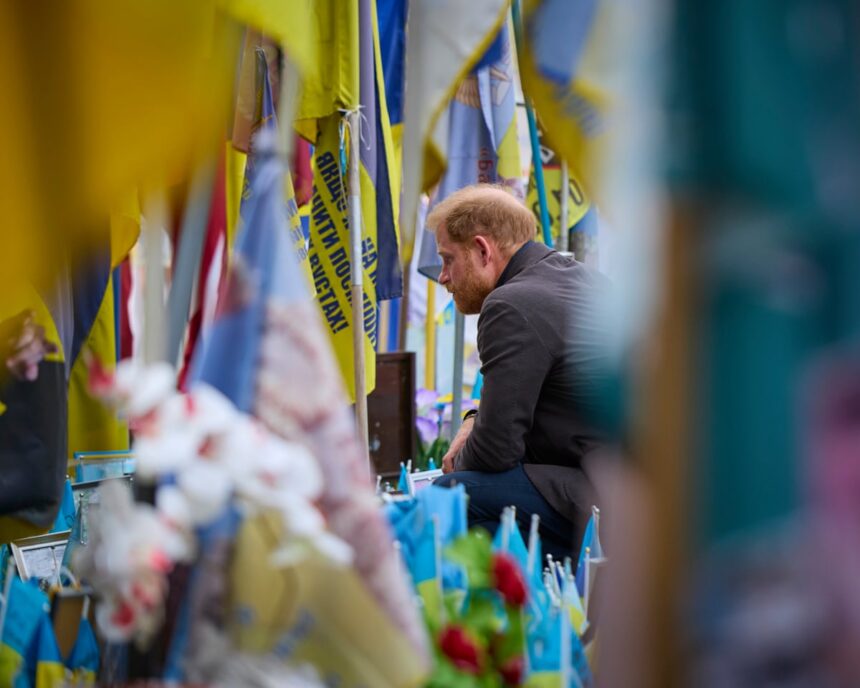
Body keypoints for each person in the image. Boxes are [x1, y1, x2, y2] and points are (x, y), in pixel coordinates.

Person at [430, 184, 611, 560]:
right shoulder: (581, 279)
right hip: (634, 490)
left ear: (482, 249)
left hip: (599, 499)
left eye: (448, 260)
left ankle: (498, 614)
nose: (443, 277)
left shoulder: (511, 304)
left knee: (445, 495)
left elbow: (495, 451)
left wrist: (457, 456)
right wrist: (474, 419)